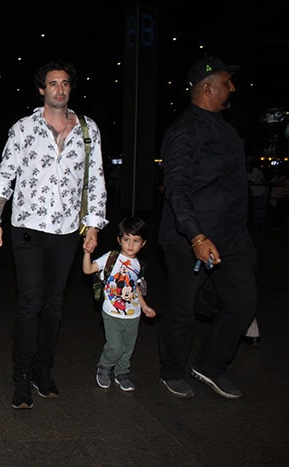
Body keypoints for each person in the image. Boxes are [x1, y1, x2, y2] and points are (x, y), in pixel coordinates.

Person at [0, 59, 108, 410]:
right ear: (42, 89)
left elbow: (95, 180)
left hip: (68, 229)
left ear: (70, 88)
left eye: (65, 83)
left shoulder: (88, 130)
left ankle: (44, 369)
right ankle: (21, 375)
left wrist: (94, 226)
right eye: (53, 83)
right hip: (27, 226)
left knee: (55, 303)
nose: (60, 89)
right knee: (30, 301)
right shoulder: (23, 129)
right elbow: (4, 175)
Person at [157, 56, 257, 400]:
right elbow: (177, 188)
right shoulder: (184, 131)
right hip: (190, 238)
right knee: (182, 310)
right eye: (227, 82)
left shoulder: (225, 127)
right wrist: (196, 235)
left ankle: (209, 365)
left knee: (244, 302)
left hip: (231, 237)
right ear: (207, 87)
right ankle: (171, 370)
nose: (233, 88)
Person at [83, 217, 155, 392]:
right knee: (115, 345)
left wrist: (144, 306)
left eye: (136, 241)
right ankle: (104, 366)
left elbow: (137, 288)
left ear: (143, 243)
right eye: (126, 239)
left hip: (133, 314)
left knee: (128, 347)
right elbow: (88, 270)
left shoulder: (139, 265)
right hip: (112, 313)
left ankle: (122, 371)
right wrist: (87, 253)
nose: (131, 244)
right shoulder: (111, 258)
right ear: (119, 240)